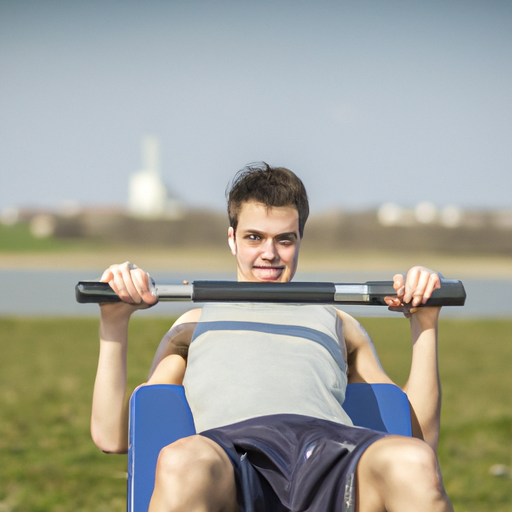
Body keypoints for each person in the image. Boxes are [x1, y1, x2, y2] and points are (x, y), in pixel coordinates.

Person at [91, 162, 453, 511]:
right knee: (181, 460)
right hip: (236, 460)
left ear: (300, 240)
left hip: (329, 456)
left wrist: (424, 322)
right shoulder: (193, 324)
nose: (269, 254)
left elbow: (419, 439)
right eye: (254, 238)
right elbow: (112, 437)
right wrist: (115, 319)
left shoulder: (337, 321)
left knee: (414, 461)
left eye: (284, 240)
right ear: (232, 239)